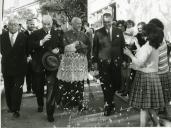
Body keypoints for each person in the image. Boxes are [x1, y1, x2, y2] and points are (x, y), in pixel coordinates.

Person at [124, 23, 165, 127]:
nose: (143, 35)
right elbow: (145, 56)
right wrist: (137, 45)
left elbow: (139, 62)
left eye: (144, 34)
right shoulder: (154, 45)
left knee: (144, 108)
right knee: (150, 106)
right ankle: (158, 125)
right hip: (153, 76)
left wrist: (129, 54)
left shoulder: (148, 47)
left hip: (145, 78)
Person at [29, 15, 63, 122]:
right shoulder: (35, 34)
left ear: (52, 24)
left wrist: (58, 49)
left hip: (52, 65)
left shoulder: (57, 33)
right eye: (44, 24)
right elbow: (29, 47)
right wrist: (41, 42)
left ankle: (50, 113)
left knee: (51, 89)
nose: (47, 26)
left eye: (49, 24)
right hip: (38, 64)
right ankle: (40, 103)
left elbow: (61, 46)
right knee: (38, 87)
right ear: (41, 23)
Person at [93, 13, 125, 116]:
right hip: (104, 63)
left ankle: (110, 100)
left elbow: (122, 46)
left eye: (108, 22)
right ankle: (108, 104)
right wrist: (95, 62)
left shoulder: (119, 31)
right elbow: (95, 48)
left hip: (116, 62)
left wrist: (124, 60)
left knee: (116, 83)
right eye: (105, 22)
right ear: (103, 21)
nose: (107, 24)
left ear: (112, 21)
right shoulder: (98, 32)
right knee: (105, 84)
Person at [57, 17, 91, 111]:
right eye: (77, 23)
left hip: (81, 63)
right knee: (69, 83)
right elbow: (63, 48)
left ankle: (80, 103)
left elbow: (89, 48)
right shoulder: (66, 34)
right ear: (72, 24)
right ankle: (68, 103)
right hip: (69, 63)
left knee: (80, 83)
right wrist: (74, 45)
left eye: (80, 23)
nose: (80, 25)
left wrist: (89, 63)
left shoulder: (84, 35)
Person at [0, 16, 28, 118]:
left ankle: (16, 109)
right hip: (7, 68)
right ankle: (10, 106)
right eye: (11, 24)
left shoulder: (24, 37)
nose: (13, 26)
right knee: (8, 88)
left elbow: (28, 50)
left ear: (18, 26)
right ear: (7, 26)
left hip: (19, 68)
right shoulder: (2, 37)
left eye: (15, 24)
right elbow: (2, 51)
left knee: (17, 89)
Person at [149, 18, 171, 120]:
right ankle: (168, 115)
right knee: (166, 96)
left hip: (157, 74)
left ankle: (156, 118)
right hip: (165, 72)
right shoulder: (163, 39)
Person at [24, 18, 37, 94]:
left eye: (33, 24)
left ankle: (35, 89)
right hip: (27, 57)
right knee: (28, 74)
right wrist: (27, 56)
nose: (32, 25)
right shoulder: (23, 34)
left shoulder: (37, 33)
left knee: (35, 74)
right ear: (27, 25)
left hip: (36, 57)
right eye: (30, 24)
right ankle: (29, 89)